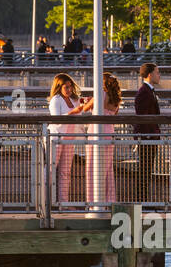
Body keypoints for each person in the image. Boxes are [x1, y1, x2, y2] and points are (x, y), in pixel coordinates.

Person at [48, 72, 93, 205]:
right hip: (56, 138)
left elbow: (81, 103)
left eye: (70, 86)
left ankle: (64, 203)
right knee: (50, 169)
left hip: (69, 139)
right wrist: (75, 111)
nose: (69, 89)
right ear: (59, 87)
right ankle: (46, 201)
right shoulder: (56, 99)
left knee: (65, 172)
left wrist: (88, 100)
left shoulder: (73, 99)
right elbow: (57, 119)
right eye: (65, 87)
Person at [85, 73, 121, 207]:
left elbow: (84, 108)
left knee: (92, 168)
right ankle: (109, 200)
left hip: (96, 132)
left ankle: (94, 201)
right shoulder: (115, 98)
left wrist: (89, 101)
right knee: (107, 168)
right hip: (109, 132)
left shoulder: (101, 95)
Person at [133, 62, 162, 200]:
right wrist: (148, 135)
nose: (159, 75)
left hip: (149, 136)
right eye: (157, 72)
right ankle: (142, 200)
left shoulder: (148, 91)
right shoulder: (144, 92)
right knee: (144, 170)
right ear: (150, 75)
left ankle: (144, 199)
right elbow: (142, 116)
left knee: (146, 170)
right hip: (147, 138)